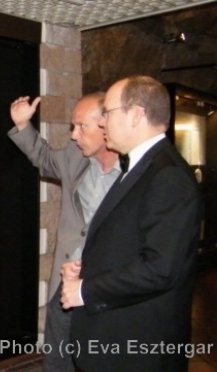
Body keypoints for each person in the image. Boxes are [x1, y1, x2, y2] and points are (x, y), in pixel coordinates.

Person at [61, 75, 202, 371]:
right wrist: (89, 266)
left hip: (137, 347)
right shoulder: (143, 166)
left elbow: (160, 268)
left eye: (108, 114)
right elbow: (130, 240)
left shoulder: (168, 176)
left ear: (136, 114)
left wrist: (86, 289)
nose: (102, 124)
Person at [8, 92, 120, 372]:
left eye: (82, 126)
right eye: (73, 126)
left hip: (109, 281)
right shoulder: (75, 157)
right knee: (59, 354)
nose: (73, 135)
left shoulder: (136, 172)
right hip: (68, 278)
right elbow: (45, 159)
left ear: (107, 126)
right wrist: (23, 125)